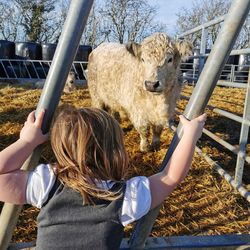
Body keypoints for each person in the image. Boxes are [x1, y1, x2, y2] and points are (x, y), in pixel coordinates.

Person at [0, 105, 206, 250]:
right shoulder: (124, 197)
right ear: (115, 149)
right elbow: (170, 176)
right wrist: (189, 135)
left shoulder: (48, 183)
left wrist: (27, 141)